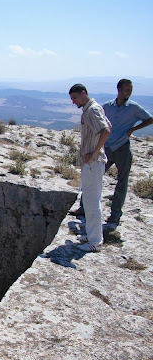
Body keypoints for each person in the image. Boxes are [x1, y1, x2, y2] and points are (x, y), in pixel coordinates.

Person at [69, 79, 153, 227]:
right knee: (92, 179)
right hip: (106, 147)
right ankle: (84, 208)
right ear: (119, 90)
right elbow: (104, 125)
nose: (129, 93)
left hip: (122, 148)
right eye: (126, 90)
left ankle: (115, 215)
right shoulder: (106, 106)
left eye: (130, 90)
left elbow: (150, 119)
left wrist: (133, 129)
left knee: (122, 181)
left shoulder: (134, 108)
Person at [69, 84, 111, 252]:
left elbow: (106, 130)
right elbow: (109, 126)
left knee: (92, 203)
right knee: (89, 200)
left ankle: (95, 242)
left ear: (83, 93)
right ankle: (91, 234)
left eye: (75, 98)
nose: (73, 102)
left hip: (93, 163)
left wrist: (94, 153)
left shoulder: (92, 110)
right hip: (92, 163)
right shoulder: (92, 109)